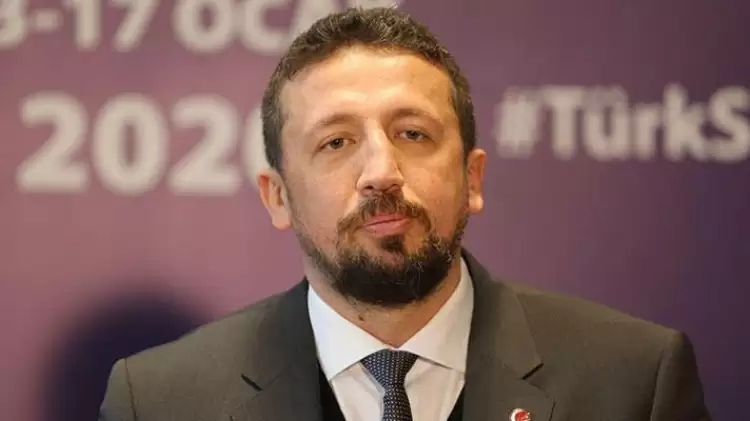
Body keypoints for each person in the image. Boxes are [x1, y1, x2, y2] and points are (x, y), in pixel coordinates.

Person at [98, 6, 711, 421]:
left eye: (413, 134)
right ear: (277, 197)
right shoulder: (160, 402)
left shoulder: (634, 382)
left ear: (472, 178)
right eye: (336, 142)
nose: (382, 172)